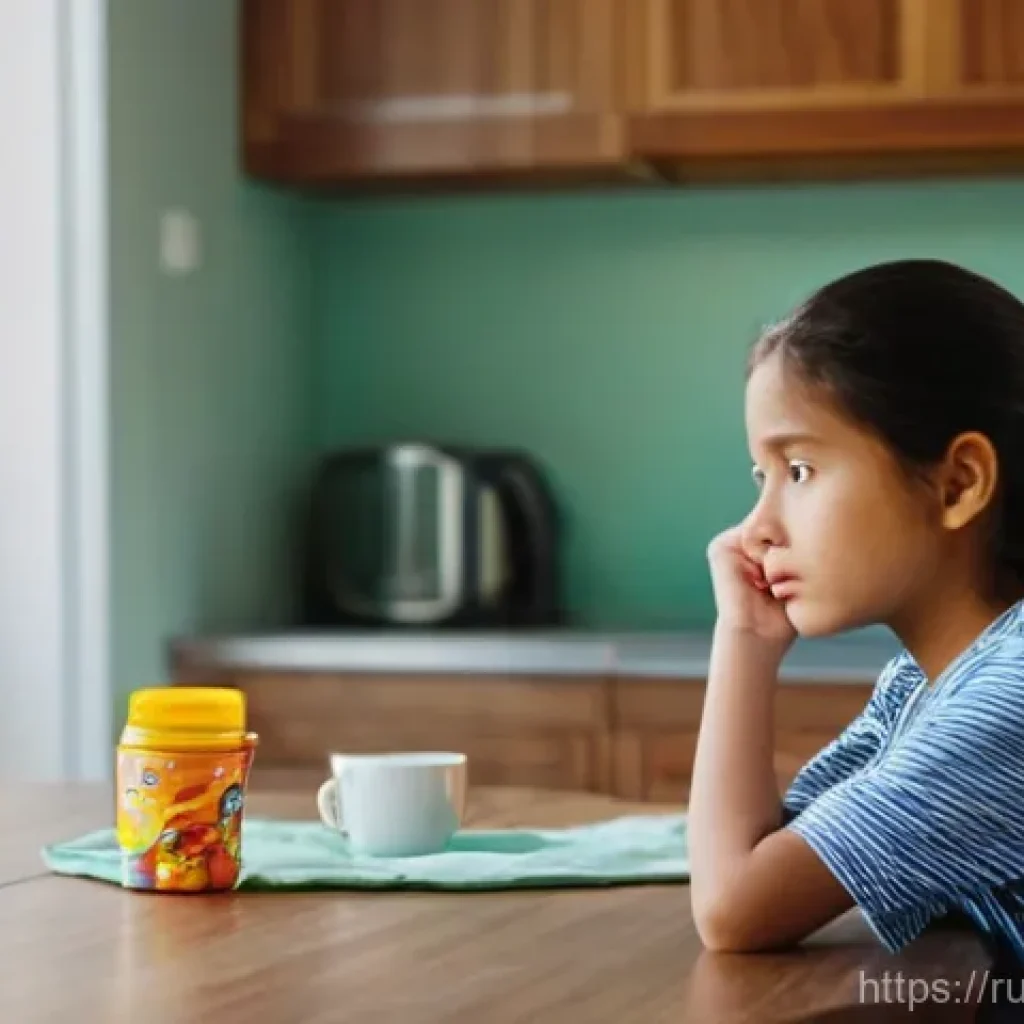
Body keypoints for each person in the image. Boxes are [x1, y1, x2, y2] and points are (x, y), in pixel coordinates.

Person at [689, 259, 1024, 983]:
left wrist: (742, 644)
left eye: (799, 471)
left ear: (958, 484)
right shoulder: (921, 683)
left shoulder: (1011, 692)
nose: (755, 529)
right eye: (761, 477)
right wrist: (747, 634)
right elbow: (780, 856)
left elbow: (734, 906)